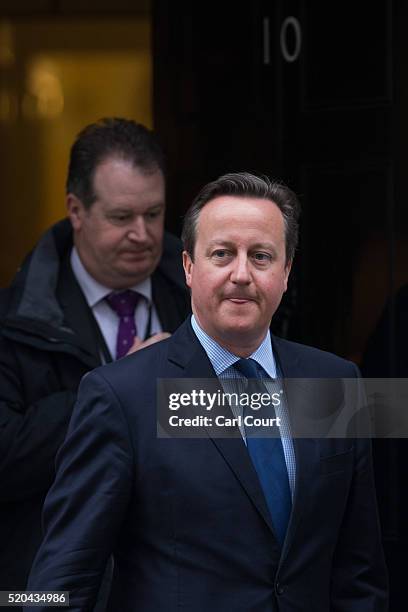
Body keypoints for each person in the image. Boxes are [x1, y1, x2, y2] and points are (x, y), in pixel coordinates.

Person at [26, 172, 387, 611]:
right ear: (189, 268)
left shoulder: (335, 382)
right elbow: (62, 580)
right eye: (222, 254)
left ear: (286, 271)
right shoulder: (122, 396)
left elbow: (359, 571)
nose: (241, 274)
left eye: (261, 256)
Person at [0, 118, 190, 599]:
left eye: (154, 213)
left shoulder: (208, 300)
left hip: (183, 585)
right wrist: (116, 385)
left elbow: (263, 418)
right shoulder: (15, 320)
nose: (143, 234)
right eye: (122, 217)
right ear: (76, 211)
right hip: (52, 589)